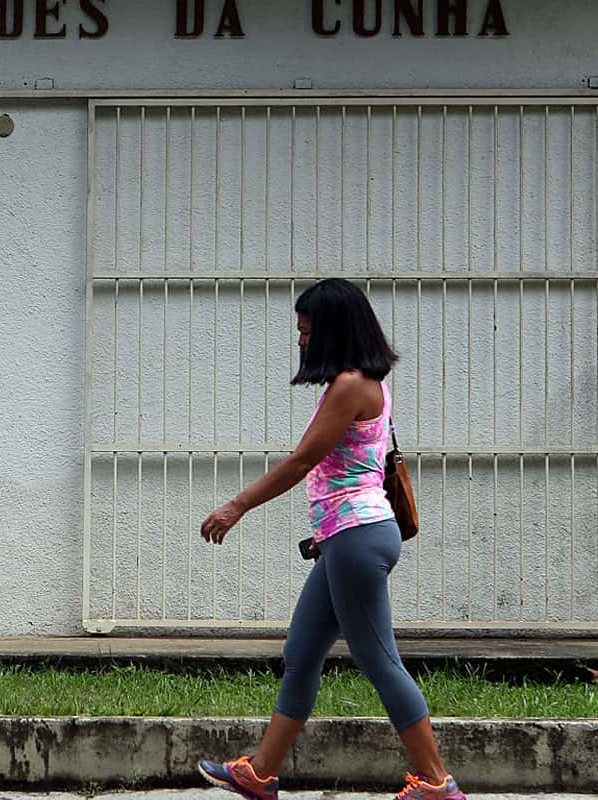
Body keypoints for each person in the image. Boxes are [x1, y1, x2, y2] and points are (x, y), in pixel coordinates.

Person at [195, 278, 466, 800]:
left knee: (379, 660)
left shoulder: (350, 385)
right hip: (346, 537)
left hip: (357, 535)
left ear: (332, 330)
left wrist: (236, 506)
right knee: (301, 652)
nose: (301, 340)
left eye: (306, 330)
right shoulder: (366, 383)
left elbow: (303, 461)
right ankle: (260, 773)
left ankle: (437, 781)